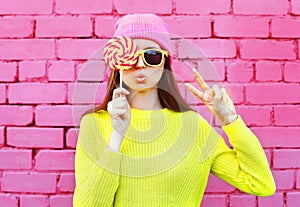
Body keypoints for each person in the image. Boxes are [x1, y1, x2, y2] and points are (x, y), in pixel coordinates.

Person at [73, 13, 276, 207]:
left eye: (151, 56)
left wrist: (231, 121)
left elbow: (260, 183)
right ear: (117, 62)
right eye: (130, 56)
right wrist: (116, 138)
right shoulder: (94, 124)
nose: (140, 65)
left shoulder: (194, 127)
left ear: (165, 62)